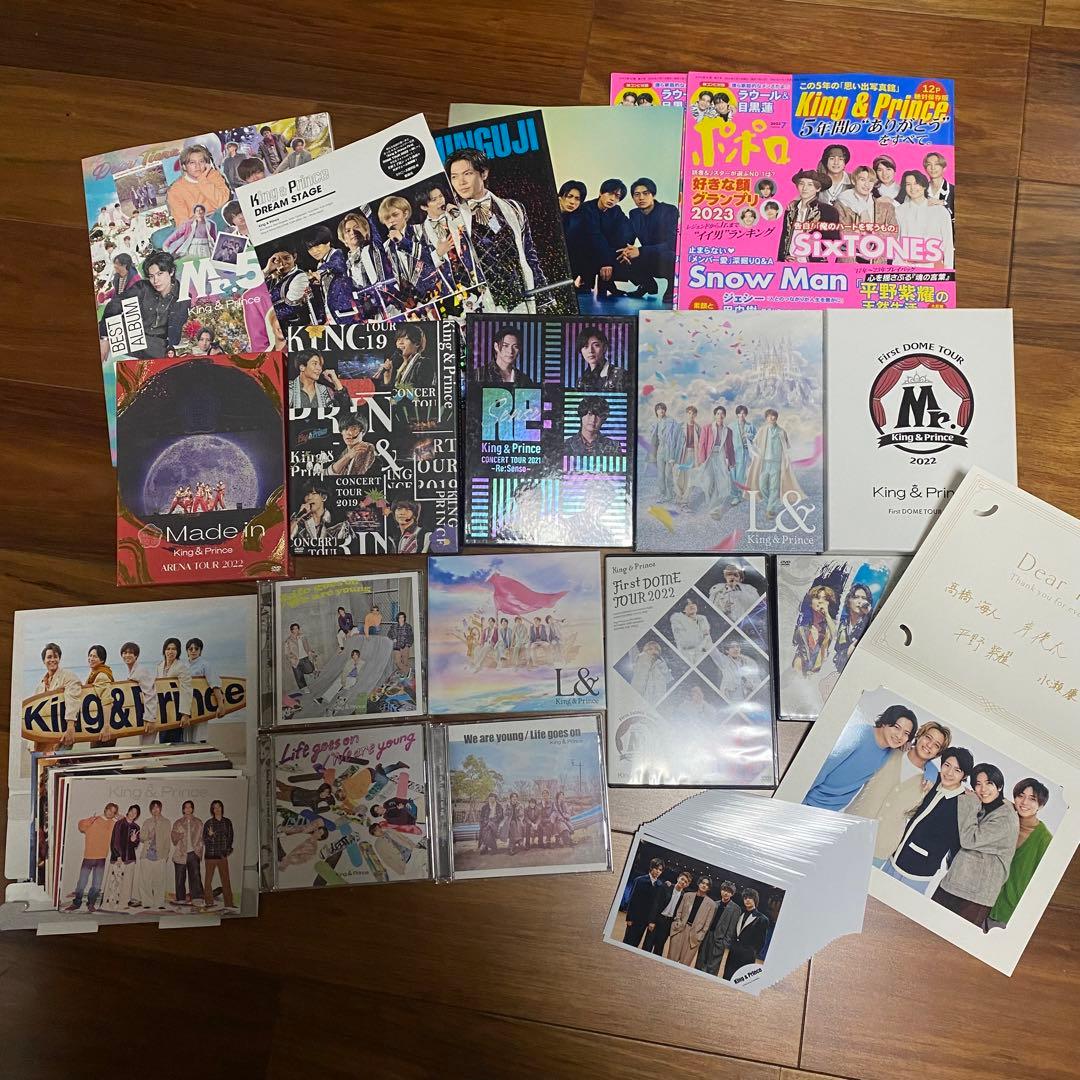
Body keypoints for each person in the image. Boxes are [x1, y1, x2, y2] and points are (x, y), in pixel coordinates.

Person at [446, 146, 546, 313]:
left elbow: (529, 254)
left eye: (467, 174)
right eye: (454, 177)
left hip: (520, 301)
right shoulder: (451, 219)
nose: (461, 182)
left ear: (484, 173)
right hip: (482, 306)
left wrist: (544, 299)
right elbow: (454, 268)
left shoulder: (513, 208)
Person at [847, 721, 951, 867]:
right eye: (928, 737)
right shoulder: (890, 752)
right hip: (850, 829)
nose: (929, 745)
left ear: (938, 753)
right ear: (919, 736)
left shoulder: (929, 783)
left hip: (881, 848)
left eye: (936, 745)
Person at [933, 764, 1019, 927]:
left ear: (999, 786)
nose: (983, 789)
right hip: (955, 884)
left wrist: (971, 803)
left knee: (955, 937)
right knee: (928, 922)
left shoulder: (1006, 819)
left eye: (989, 783)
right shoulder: (987, 806)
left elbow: (969, 839)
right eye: (978, 784)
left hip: (976, 896)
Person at [883, 746, 974, 892]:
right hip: (894, 857)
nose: (949, 773)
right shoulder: (932, 780)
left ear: (964, 775)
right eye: (947, 765)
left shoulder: (965, 803)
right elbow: (920, 764)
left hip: (919, 872)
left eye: (957, 770)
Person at [803, 704, 919, 810]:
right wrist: (799, 797)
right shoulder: (860, 734)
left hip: (831, 810)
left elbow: (921, 757)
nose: (899, 736)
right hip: (809, 802)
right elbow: (822, 768)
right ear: (885, 722)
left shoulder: (889, 750)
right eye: (896, 727)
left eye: (906, 733)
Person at [100, 250, 190, 360]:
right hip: (128, 342)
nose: (155, 281)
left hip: (156, 349)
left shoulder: (183, 296)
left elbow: (177, 334)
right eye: (151, 276)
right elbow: (115, 305)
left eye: (160, 274)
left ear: (171, 271)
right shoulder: (143, 287)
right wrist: (104, 338)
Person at [988, 779, 1054, 928]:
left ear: (1041, 805)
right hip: (979, 899)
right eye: (1021, 796)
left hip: (1006, 912)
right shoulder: (1004, 819)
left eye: (1032, 799)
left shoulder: (1045, 840)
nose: (1024, 802)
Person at [618, 177, 679, 304]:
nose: (641, 198)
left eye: (645, 193)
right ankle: (647, 284)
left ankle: (672, 287)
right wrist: (626, 250)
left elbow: (672, 243)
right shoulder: (634, 214)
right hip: (648, 257)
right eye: (637, 194)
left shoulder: (669, 210)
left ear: (653, 195)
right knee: (622, 256)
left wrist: (640, 251)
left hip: (665, 256)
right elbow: (630, 237)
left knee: (670, 256)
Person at [576, 179, 633, 299]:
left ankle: (607, 283)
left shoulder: (616, 210)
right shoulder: (586, 208)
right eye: (610, 194)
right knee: (594, 243)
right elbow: (593, 236)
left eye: (617, 196)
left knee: (622, 251)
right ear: (601, 192)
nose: (612, 199)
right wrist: (606, 261)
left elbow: (627, 230)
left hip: (604, 249)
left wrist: (625, 249)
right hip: (585, 251)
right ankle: (586, 281)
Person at [889, 170, 954, 269]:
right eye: (908, 184)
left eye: (916, 183)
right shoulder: (899, 211)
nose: (912, 188)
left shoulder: (940, 211)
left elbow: (948, 244)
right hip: (906, 266)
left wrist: (948, 269)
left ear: (924, 186)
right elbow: (897, 242)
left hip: (933, 266)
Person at [746, 408, 803, 521]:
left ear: (776, 417)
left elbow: (787, 448)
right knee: (762, 485)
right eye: (769, 416)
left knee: (774, 487)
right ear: (766, 418)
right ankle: (771, 502)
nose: (772, 418)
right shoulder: (762, 430)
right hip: (764, 462)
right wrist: (752, 445)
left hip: (776, 462)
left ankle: (770, 509)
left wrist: (787, 461)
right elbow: (754, 443)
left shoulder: (781, 431)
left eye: (773, 416)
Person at [835, 166, 898, 263]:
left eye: (871, 181)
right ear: (854, 181)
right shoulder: (841, 205)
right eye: (862, 180)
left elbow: (893, 233)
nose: (867, 184)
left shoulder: (885, 207)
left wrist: (873, 239)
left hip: (877, 262)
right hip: (849, 260)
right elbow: (842, 232)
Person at [305, 225, 364, 324]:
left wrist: (318, 273)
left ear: (328, 242)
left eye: (317, 246)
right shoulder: (320, 263)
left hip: (347, 311)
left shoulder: (337, 254)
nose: (314, 251)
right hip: (333, 313)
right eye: (310, 249)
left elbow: (336, 264)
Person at [66, 802, 119, 912]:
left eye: (114, 812)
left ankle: (91, 904)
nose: (111, 813)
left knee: (97, 885)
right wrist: (89, 821)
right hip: (88, 857)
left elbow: (122, 824)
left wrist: (119, 818)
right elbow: (80, 826)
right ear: (105, 809)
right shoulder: (94, 820)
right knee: (81, 883)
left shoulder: (113, 823)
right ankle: (76, 903)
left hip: (101, 858)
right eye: (110, 810)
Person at [777, 169, 840, 262]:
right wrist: (783, 258)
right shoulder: (791, 210)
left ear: (818, 188)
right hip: (789, 262)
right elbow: (784, 237)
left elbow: (832, 241)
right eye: (801, 184)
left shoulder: (828, 211)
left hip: (813, 264)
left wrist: (808, 258)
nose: (804, 188)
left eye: (810, 185)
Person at [166, 143, 230, 224]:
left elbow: (222, 203)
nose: (198, 166)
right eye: (192, 162)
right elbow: (183, 224)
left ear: (207, 164)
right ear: (184, 167)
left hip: (223, 220)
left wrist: (202, 179)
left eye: (201, 161)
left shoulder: (213, 175)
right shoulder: (175, 190)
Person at [35, 642, 83, 746]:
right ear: (44, 661)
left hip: (63, 731)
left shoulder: (68, 676)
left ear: (59, 659)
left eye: (55, 657)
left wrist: (70, 727)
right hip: (45, 735)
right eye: (49, 657)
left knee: (61, 756)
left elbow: (73, 700)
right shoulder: (41, 686)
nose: (52, 660)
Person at [265, 245, 322, 327]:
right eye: (277, 260)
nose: (282, 263)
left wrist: (265, 315)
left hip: (294, 328)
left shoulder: (300, 276)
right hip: (275, 326)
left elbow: (291, 309)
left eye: (286, 258)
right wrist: (267, 270)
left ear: (294, 257)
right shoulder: (271, 278)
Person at [667, 876, 716, 966]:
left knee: (684, 964)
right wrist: (677, 922)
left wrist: (700, 936)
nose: (704, 885)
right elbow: (679, 911)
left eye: (707, 885)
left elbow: (707, 924)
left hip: (694, 935)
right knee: (671, 960)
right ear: (698, 884)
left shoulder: (711, 904)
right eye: (702, 883)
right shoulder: (687, 895)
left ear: (709, 888)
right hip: (680, 929)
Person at [100, 804, 141, 912]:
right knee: (113, 882)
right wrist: (118, 855)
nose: (133, 814)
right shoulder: (119, 823)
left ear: (137, 815)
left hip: (130, 859)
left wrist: (134, 841)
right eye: (132, 811)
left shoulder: (136, 827)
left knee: (127, 883)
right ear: (128, 811)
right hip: (118, 858)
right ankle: (109, 905)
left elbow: (135, 844)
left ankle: (123, 904)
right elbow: (115, 841)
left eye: (135, 813)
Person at [723, 889, 770, 979]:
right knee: (726, 978)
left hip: (747, 957)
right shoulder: (739, 913)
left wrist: (751, 953)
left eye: (750, 898)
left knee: (740, 981)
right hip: (733, 954)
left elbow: (761, 942)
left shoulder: (763, 919)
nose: (747, 900)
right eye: (745, 898)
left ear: (755, 900)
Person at [695, 881, 740, 976]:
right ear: (721, 890)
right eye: (724, 890)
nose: (726, 893)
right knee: (700, 962)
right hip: (707, 936)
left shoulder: (735, 909)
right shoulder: (715, 904)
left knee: (712, 967)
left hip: (720, 940)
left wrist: (724, 943)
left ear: (732, 894)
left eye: (729, 891)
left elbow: (731, 929)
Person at [698, 403, 735, 518]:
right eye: (718, 413)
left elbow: (730, 447)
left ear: (724, 416)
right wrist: (702, 459)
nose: (720, 416)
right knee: (709, 482)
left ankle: (715, 509)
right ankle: (711, 504)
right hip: (709, 456)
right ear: (715, 415)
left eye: (722, 414)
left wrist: (731, 462)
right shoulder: (707, 428)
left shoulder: (728, 431)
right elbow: (702, 444)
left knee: (722, 482)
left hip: (721, 456)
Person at [119, 641, 159, 745]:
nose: (127, 655)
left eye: (130, 653)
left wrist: (151, 719)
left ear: (136, 655)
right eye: (124, 653)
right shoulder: (132, 671)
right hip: (142, 714)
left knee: (147, 746)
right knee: (143, 746)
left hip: (149, 716)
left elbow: (150, 694)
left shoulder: (141, 671)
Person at [135, 799, 171, 910]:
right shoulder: (147, 821)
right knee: (145, 880)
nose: (155, 809)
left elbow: (167, 840)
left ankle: (159, 903)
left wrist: (165, 856)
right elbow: (141, 837)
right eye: (153, 808)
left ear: (160, 808)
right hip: (146, 855)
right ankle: (147, 902)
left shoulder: (166, 822)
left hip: (160, 856)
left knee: (159, 881)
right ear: (151, 810)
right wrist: (148, 835)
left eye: (157, 807)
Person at [792, 585, 837, 675]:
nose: (820, 601)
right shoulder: (802, 624)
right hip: (802, 666)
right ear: (811, 602)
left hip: (822, 669)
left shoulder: (831, 624)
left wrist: (827, 615)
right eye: (817, 598)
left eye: (825, 599)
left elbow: (835, 637)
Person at [155, 637, 193, 744]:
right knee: (163, 740)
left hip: (176, 708)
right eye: (168, 649)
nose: (170, 651)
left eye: (174, 649)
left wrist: (185, 714)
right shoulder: (159, 666)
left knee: (175, 741)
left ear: (178, 651)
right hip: (163, 709)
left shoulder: (181, 667)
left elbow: (186, 690)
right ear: (164, 651)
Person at [622, 857, 667, 947]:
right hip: (634, 918)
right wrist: (629, 918)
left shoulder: (659, 885)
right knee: (628, 941)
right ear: (651, 868)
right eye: (656, 868)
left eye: (660, 870)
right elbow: (632, 899)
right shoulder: (639, 880)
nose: (658, 871)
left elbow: (656, 904)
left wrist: (651, 920)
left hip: (645, 920)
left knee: (636, 943)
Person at [645, 870, 690, 956]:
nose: (683, 882)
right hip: (657, 919)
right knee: (647, 945)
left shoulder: (684, 896)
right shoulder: (666, 887)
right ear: (678, 878)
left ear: (687, 885)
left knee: (659, 949)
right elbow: (656, 904)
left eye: (685, 882)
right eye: (682, 879)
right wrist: (651, 921)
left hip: (668, 924)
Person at [171, 800, 205, 908]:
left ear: (192, 809)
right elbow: (173, 838)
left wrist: (198, 851)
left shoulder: (199, 822)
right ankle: (181, 898)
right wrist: (178, 836)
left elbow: (202, 838)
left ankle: (197, 898)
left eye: (190, 807)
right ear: (183, 809)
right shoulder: (178, 822)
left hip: (193, 853)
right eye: (186, 807)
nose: (188, 809)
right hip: (180, 853)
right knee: (180, 877)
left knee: (195, 876)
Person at [202, 800, 235, 911]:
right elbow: (205, 840)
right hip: (210, 856)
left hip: (222, 856)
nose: (217, 809)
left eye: (219, 807)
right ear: (212, 810)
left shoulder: (227, 822)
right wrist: (210, 835)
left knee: (226, 880)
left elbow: (230, 838)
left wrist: (227, 851)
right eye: (215, 807)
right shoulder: (208, 823)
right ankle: (209, 903)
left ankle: (229, 903)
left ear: (222, 808)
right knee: (208, 881)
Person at [577, 325, 629, 391]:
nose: (590, 350)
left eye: (596, 345)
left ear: (604, 348)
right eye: (585, 346)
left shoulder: (621, 375)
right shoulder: (581, 381)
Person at [186, 637, 223, 731]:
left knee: (200, 734)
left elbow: (215, 685)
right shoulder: (184, 666)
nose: (193, 651)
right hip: (188, 707)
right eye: (190, 649)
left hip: (202, 704)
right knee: (187, 736)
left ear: (200, 651)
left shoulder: (205, 665)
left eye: (196, 648)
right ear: (187, 651)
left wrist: (220, 705)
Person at [559, 180, 589, 291]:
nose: (572, 202)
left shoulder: (575, 216)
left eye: (577, 199)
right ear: (561, 196)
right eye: (569, 196)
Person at [648, 401, 679, 503]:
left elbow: (676, 439)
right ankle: (663, 494)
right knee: (660, 475)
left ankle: (670, 495)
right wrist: (652, 455)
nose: (661, 410)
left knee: (668, 474)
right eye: (658, 409)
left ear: (665, 410)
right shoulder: (654, 424)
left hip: (669, 450)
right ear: (656, 411)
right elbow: (654, 441)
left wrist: (673, 456)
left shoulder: (672, 422)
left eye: (662, 409)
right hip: (660, 450)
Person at [673, 404, 702, 507]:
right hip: (682, 454)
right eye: (689, 413)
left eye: (693, 413)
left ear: (696, 415)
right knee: (679, 476)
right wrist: (673, 457)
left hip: (693, 454)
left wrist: (700, 459)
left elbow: (701, 444)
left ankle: (685, 501)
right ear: (686, 414)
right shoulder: (680, 427)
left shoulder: (698, 428)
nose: (691, 415)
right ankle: (679, 496)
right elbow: (675, 442)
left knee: (690, 478)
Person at [669, 596, 711, 663]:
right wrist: (702, 634)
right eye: (688, 604)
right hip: (689, 657)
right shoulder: (678, 620)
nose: (691, 606)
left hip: (705, 655)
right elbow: (686, 642)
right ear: (683, 610)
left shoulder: (702, 619)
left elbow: (708, 641)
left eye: (693, 603)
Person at [630, 640, 671, 705]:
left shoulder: (661, 665)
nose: (654, 651)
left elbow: (667, 679)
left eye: (656, 649)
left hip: (656, 702)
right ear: (645, 651)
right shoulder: (640, 661)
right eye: (650, 649)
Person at [283, 622, 317, 692]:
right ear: (291, 630)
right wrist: (292, 659)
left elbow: (308, 646)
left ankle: (312, 673)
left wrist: (311, 652)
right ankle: (304, 688)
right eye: (294, 629)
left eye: (297, 628)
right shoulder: (288, 640)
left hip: (304, 657)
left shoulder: (303, 637)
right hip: (295, 660)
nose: (296, 630)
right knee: (299, 676)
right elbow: (287, 653)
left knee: (310, 669)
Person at [923, 151, 955, 220]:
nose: (933, 168)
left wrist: (944, 203)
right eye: (929, 164)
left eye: (937, 164)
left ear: (944, 168)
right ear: (925, 169)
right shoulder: (920, 190)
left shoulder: (953, 191)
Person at [388, 611, 414, 675]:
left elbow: (411, 636)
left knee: (405, 661)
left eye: (402, 617)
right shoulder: (394, 626)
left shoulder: (408, 626)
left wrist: (408, 645)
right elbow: (389, 634)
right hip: (397, 646)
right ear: (398, 618)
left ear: (404, 618)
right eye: (400, 617)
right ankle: (408, 671)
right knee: (397, 662)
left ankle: (404, 674)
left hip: (405, 646)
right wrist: (393, 638)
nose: (401, 619)